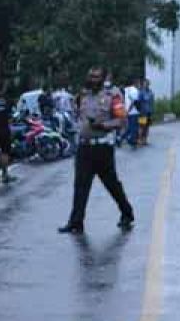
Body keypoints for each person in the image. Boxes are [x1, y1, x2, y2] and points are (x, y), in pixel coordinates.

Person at [59, 66, 135, 234]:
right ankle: (76, 222)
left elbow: (122, 120)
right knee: (80, 185)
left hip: (103, 148)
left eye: (96, 77)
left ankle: (127, 213)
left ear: (103, 78)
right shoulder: (82, 95)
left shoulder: (112, 96)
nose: (93, 80)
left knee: (112, 185)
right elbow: (77, 115)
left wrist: (103, 125)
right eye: (91, 76)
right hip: (84, 147)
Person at [136, 78, 155, 146]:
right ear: (143, 84)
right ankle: (139, 140)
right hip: (142, 112)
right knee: (141, 126)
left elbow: (152, 102)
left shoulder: (151, 92)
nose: (146, 85)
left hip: (149, 112)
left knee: (147, 127)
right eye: (145, 83)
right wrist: (139, 110)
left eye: (147, 83)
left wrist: (152, 111)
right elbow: (138, 102)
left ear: (149, 84)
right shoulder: (141, 92)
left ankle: (145, 140)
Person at [123, 78, 141, 148]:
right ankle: (132, 142)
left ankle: (121, 138)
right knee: (134, 128)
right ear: (136, 83)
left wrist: (126, 111)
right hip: (133, 112)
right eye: (139, 83)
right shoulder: (135, 91)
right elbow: (133, 102)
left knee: (130, 127)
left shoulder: (127, 89)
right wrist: (129, 111)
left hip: (128, 111)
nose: (139, 85)